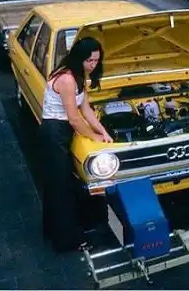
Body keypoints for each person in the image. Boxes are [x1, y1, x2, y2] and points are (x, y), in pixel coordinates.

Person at [39, 36, 113, 253]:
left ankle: (52, 231)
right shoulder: (67, 80)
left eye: (97, 60)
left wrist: (103, 132)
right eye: (90, 60)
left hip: (62, 131)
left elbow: (86, 109)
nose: (93, 65)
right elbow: (74, 118)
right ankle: (68, 242)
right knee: (62, 188)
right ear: (79, 58)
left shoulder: (79, 77)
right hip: (54, 132)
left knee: (59, 186)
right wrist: (93, 136)